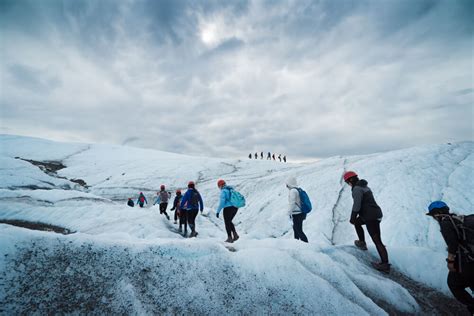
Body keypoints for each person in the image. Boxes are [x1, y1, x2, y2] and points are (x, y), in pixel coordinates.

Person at [426, 201, 474, 314]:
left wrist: (450, 261)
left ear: (437, 214)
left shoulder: (446, 223)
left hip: (468, 262)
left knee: (454, 283)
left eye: (433, 216)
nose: (434, 218)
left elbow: (453, 244)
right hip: (470, 259)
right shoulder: (458, 219)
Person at [343, 171, 390, 273]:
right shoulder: (364, 187)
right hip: (375, 213)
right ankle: (362, 242)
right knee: (358, 222)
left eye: (347, 182)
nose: (348, 184)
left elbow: (357, 205)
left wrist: (352, 217)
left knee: (377, 240)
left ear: (351, 180)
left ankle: (385, 264)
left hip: (370, 216)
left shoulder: (357, 189)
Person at [286, 177, 308, 243]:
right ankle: (296, 243)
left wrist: (288, 212)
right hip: (300, 213)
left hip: (297, 214)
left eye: (287, 184)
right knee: (296, 229)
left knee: (298, 230)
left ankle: (306, 244)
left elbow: (292, 203)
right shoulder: (297, 190)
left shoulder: (293, 191)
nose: (286, 186)